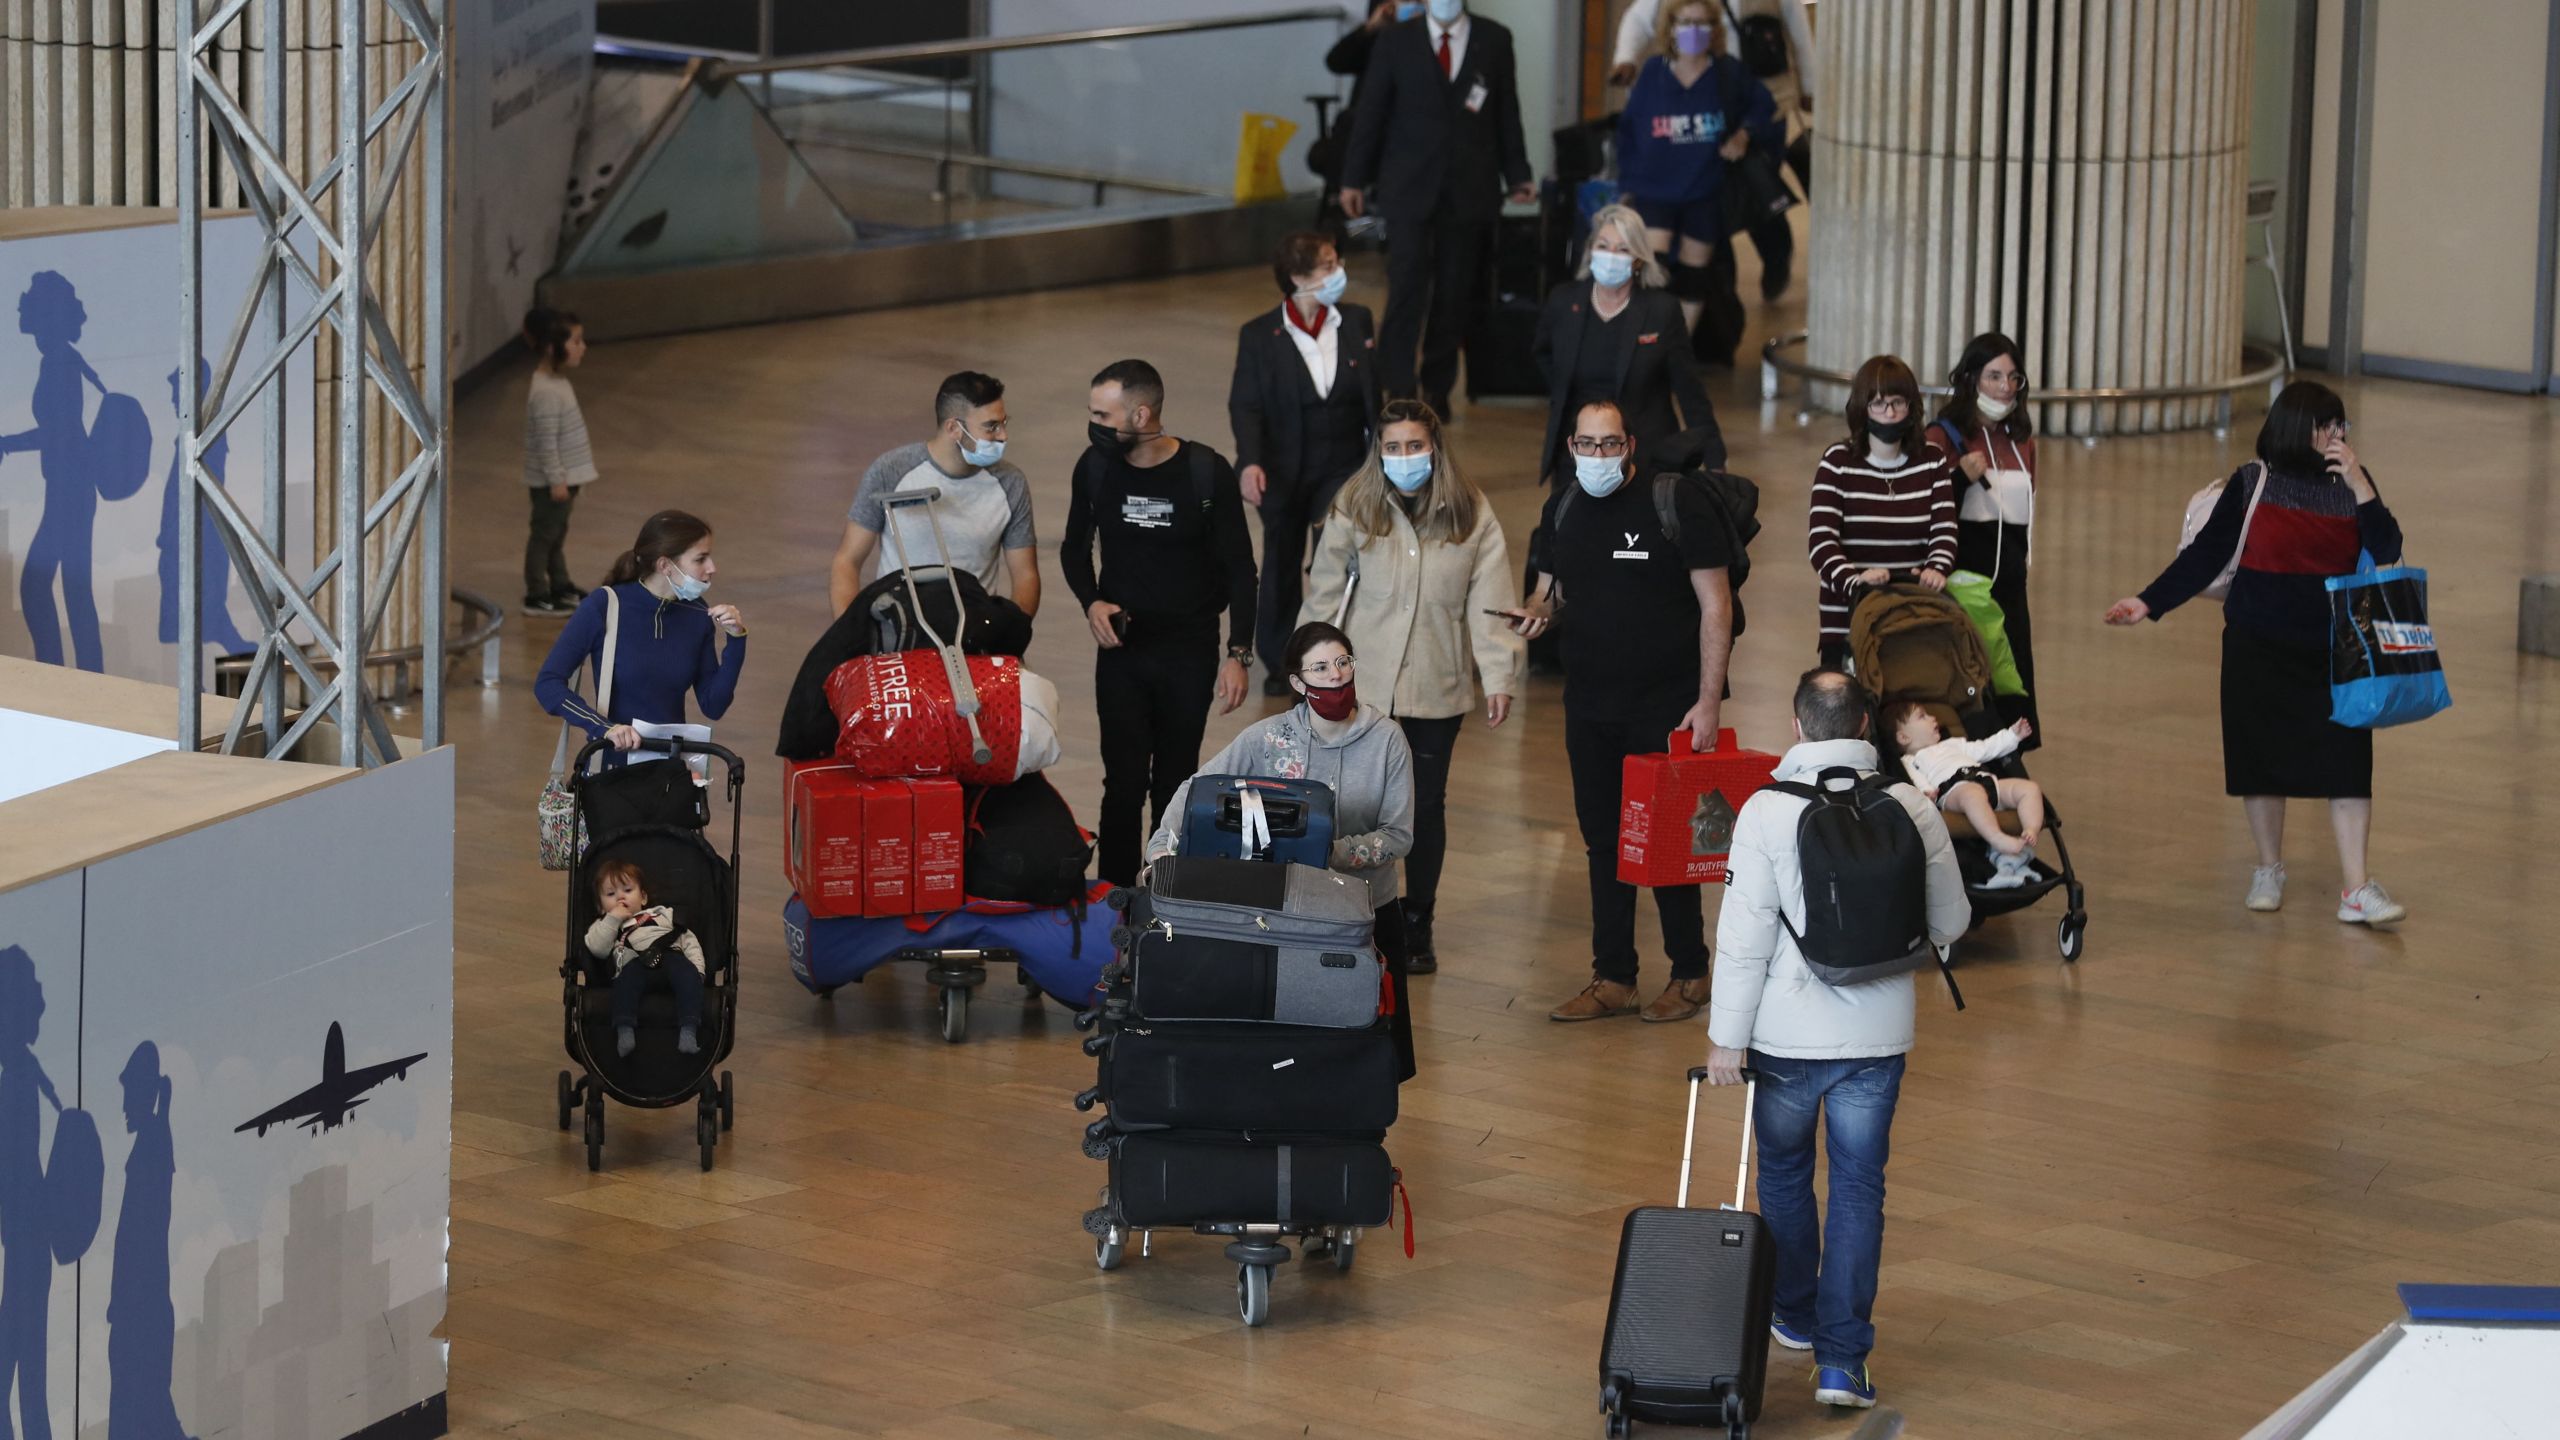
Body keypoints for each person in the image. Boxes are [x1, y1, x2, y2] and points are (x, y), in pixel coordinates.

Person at [1704, 668, 1971, 1413]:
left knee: (1785, 1176)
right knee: (1859, 1187)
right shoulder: (1911, 805)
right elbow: (1951, 922)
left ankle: (1793, 1311)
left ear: (1797, 729)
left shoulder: (1764, 812)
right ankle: (1842, 1363)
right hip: (1877, 1038)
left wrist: (1727, 1040)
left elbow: (1741, 942)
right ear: (1865, 729)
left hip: (1784, 1042)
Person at [2106, 381, 2409, 925]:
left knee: (2348, 765)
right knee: (2262, 761)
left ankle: (2356, 888)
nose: (2338, 436)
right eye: (2328, 426)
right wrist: (2148, 602)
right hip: (2258, 644)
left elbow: (2388, 547)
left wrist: (2362, 484)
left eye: (2342, 426)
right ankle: (2268, 868)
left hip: (2336, 648)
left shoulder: (2350, 486)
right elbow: (2206, 555)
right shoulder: (2252, 483)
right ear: (2299, 428)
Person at [1522, 400, 1735, 1023]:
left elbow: (1715, 607)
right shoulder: (1562, 507)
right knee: (1601, 841)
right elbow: (1551, 589)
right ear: (1570, 447)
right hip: (1588, 705)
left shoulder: (1675, 503)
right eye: (1586, 445)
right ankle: (1614, 976)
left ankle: (1691, 972)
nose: (1597, 457)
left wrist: (1708, 701)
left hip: (1665, 707)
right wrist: (1536, 613)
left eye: (1609, 444)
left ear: (1630, 445)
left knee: (1669, 845)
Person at [1298, 399, 1524, 973]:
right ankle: (1354, 913)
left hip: (1436, 686)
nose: (1404, 457)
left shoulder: (1470, 510)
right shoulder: (1356, 503)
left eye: (1414, 445)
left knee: (1423, 806)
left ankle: (1417, 920)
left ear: (1435, 447)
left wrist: (1499, 673)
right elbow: (1325, 590)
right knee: (1354, 803)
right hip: (1363, 685)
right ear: (1379, 450)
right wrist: (1306, 667)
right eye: (1393, 447)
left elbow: (1490, 598)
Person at [1147, 622, 1419, 1076]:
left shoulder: (1387, 739)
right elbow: (1196, 789)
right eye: (1320, 667)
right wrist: (1161, 849)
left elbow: (1399, 835)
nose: (1334, 675)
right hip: (1289, 911)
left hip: (1365, 913)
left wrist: (1329, 853)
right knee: (1299, 1044)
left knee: (1371, 1054)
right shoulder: (1269, 738)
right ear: (1297, 682)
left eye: (1342, 662)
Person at [1061, 359, 1257, 886]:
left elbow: (1242, 568)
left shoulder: (1205, 471)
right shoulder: (1095, 468)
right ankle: (1117, 900)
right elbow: (1073, 550)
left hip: (1188, 649)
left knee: (1174, 783)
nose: (1095, 425)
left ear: (1142, 413)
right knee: (1121, 785)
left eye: (1104, 415)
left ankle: (1165, 893)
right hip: (1123, 651)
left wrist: (1239, 655)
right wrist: (1092, 602)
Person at [1338, 0, 1534, 418]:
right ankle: (1399, 383)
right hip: (1408, 187)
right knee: (1406, 283)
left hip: (1469, 187)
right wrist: (1353, 177)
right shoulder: (1395, 40)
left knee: (1454, 289)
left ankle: (1438, 385)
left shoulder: (1494, 39)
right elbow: (1370, 111)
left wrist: (1518, 173)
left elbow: (1506, 111)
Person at [1230, 233, 1381, 694]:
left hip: (1343, 465)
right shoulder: (1259, 335)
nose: (1338, 272)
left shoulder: (1356, 320)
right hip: (1283, 469)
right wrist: (1250, 462)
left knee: (1332, 556)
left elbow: (1375, 394)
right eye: (1327, 266)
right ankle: (1282, 661)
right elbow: (1246, 406)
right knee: (1280, 558)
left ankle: (1332, 652)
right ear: (1298, 278)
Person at [1610, 0, 1817, 300]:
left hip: (1761, 108)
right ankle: (1716, 292)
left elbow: (1798, 33)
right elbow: (1639, 19)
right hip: (1702, 105)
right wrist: (1625, 58)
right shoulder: (1660, 64)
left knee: (1755, 192)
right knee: (1713, 206)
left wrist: (1809, 87)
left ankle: (1775, 257)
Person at [827, 370, 1040, 619]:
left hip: (973, 632)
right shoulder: (890, 471)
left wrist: (1012, 629)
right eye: (991, 427)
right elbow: (847, 561)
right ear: (953, 428)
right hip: (899, 629)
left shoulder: (1010, 484)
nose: (1003, 436)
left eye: (1004, 424)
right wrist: (849, 632)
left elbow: (1025, 575)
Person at [1534, 204, 1720, 488]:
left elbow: (1689, 387)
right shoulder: (1563, 302)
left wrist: (1715, 455)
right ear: (1590, 250)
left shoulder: (1662, 311)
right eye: (1603, 245)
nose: (1611, 256)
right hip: (1577, 458)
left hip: (1644, 457)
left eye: (1622, 249)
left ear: (1638, 259)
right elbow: (1544, 354)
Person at [536, 509, 750, 756]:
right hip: (613, 772)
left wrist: (736, 638)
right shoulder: (604, 605)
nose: (712, 567)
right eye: (701, 559)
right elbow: (548, 683)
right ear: (665, 565)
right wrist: (603, 727)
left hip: (669, 770)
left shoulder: (698, 614)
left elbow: (714, 705)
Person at [2, 270, 120, 671]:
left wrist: (7, 443)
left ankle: (68, 676)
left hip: (70, 487)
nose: (22, 309)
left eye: (29, 303)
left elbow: (60, 430)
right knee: (70, 589)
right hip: (69, 486)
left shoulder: (58, 363)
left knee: (49, 587)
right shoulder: (60, 360)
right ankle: (80, 675)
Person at [1808, 355, 1957, 668]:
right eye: (1878, 403)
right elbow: (1821, 544)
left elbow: (1944, 531)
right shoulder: (1837, 461)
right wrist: (1856, 581)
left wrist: (1937, 568)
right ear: (1863, 409)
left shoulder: (1932, 459)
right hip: (1846, 621)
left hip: (1912, 615)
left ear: (1910, 407)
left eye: (1897, 403)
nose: (1889, 413)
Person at [1932, 332, 2040, 740]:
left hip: (2010, 587)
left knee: (2012, 680)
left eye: (2013, 378)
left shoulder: (2022, 441)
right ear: (1971, 378)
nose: (2005, 387)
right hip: (1963, 585)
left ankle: (2011, 759)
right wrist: (1959, 478)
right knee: (1969, 684)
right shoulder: (1942, 437)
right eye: (1994, 376)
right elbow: (1927, 508)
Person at [1888, 704, 2043, 886]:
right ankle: (1997, 838)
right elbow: (1914, 780)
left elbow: (1986, 748)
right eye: (1922, 716)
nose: (1933, 718)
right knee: (1972, 794)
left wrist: (2012, 735)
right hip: (1954, 791)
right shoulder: (1910, 761)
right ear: (1904, 737)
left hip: (1986, 782)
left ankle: (2030, 829)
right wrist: (1926, 793)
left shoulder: (1953, 744)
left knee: (2029, 788)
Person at [585, 858, 708, 1057]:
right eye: (610, 894)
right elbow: (598, 948)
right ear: (600, 907)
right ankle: (625, 1030)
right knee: (623, 984)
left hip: (671, 957)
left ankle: (688, 1031)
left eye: (627, 890)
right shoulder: (606, 926)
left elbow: (687, 939)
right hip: (635, 963)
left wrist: (698, 969)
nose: (620, 897)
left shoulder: (662, 915)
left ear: (643, 897)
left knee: (688, 974)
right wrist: (613, 918)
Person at [522, 308, 596, 618]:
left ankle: (560, 584)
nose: (583, 347)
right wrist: (557, 480)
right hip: (555, 482)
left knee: (556, 534)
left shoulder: (556, 383)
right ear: (553, 347)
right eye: (576, 341)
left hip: (565, 479)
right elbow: (546, 442)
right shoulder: (546, 393)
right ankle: (537, 592)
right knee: (544, 537)